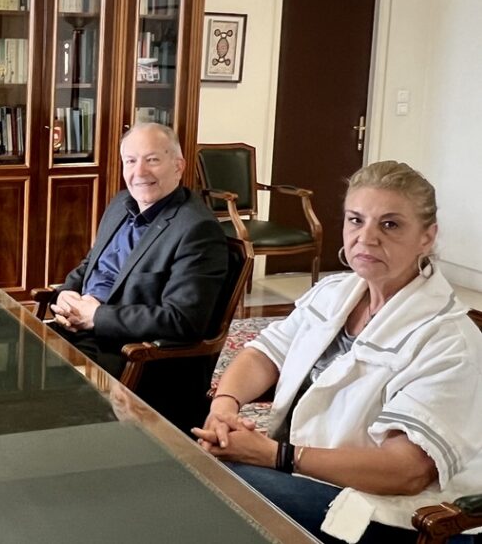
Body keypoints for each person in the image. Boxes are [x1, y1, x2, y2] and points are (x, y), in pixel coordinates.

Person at [193, 161, 482, 543]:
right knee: (190, 464)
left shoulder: (449, 340)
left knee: (212, 487)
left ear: (427, 237)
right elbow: (263, 354)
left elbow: (408, 471)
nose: (367, 237)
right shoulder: (333, 293)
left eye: (390, 224)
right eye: (355, 220)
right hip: (306, 477)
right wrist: (224, 408)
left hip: (391, 513)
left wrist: (277, 455)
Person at [49, 123, 227, 429]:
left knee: (34, 390)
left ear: (179, 166)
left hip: (129, 354)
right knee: (3, 362)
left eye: (152, 160)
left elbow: (182, 320)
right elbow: (92, 263)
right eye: (130, 161)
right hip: (80, 329)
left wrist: (96, 317)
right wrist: (68, 291)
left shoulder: (197, 230)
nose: (139, 172)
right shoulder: (121, 204)